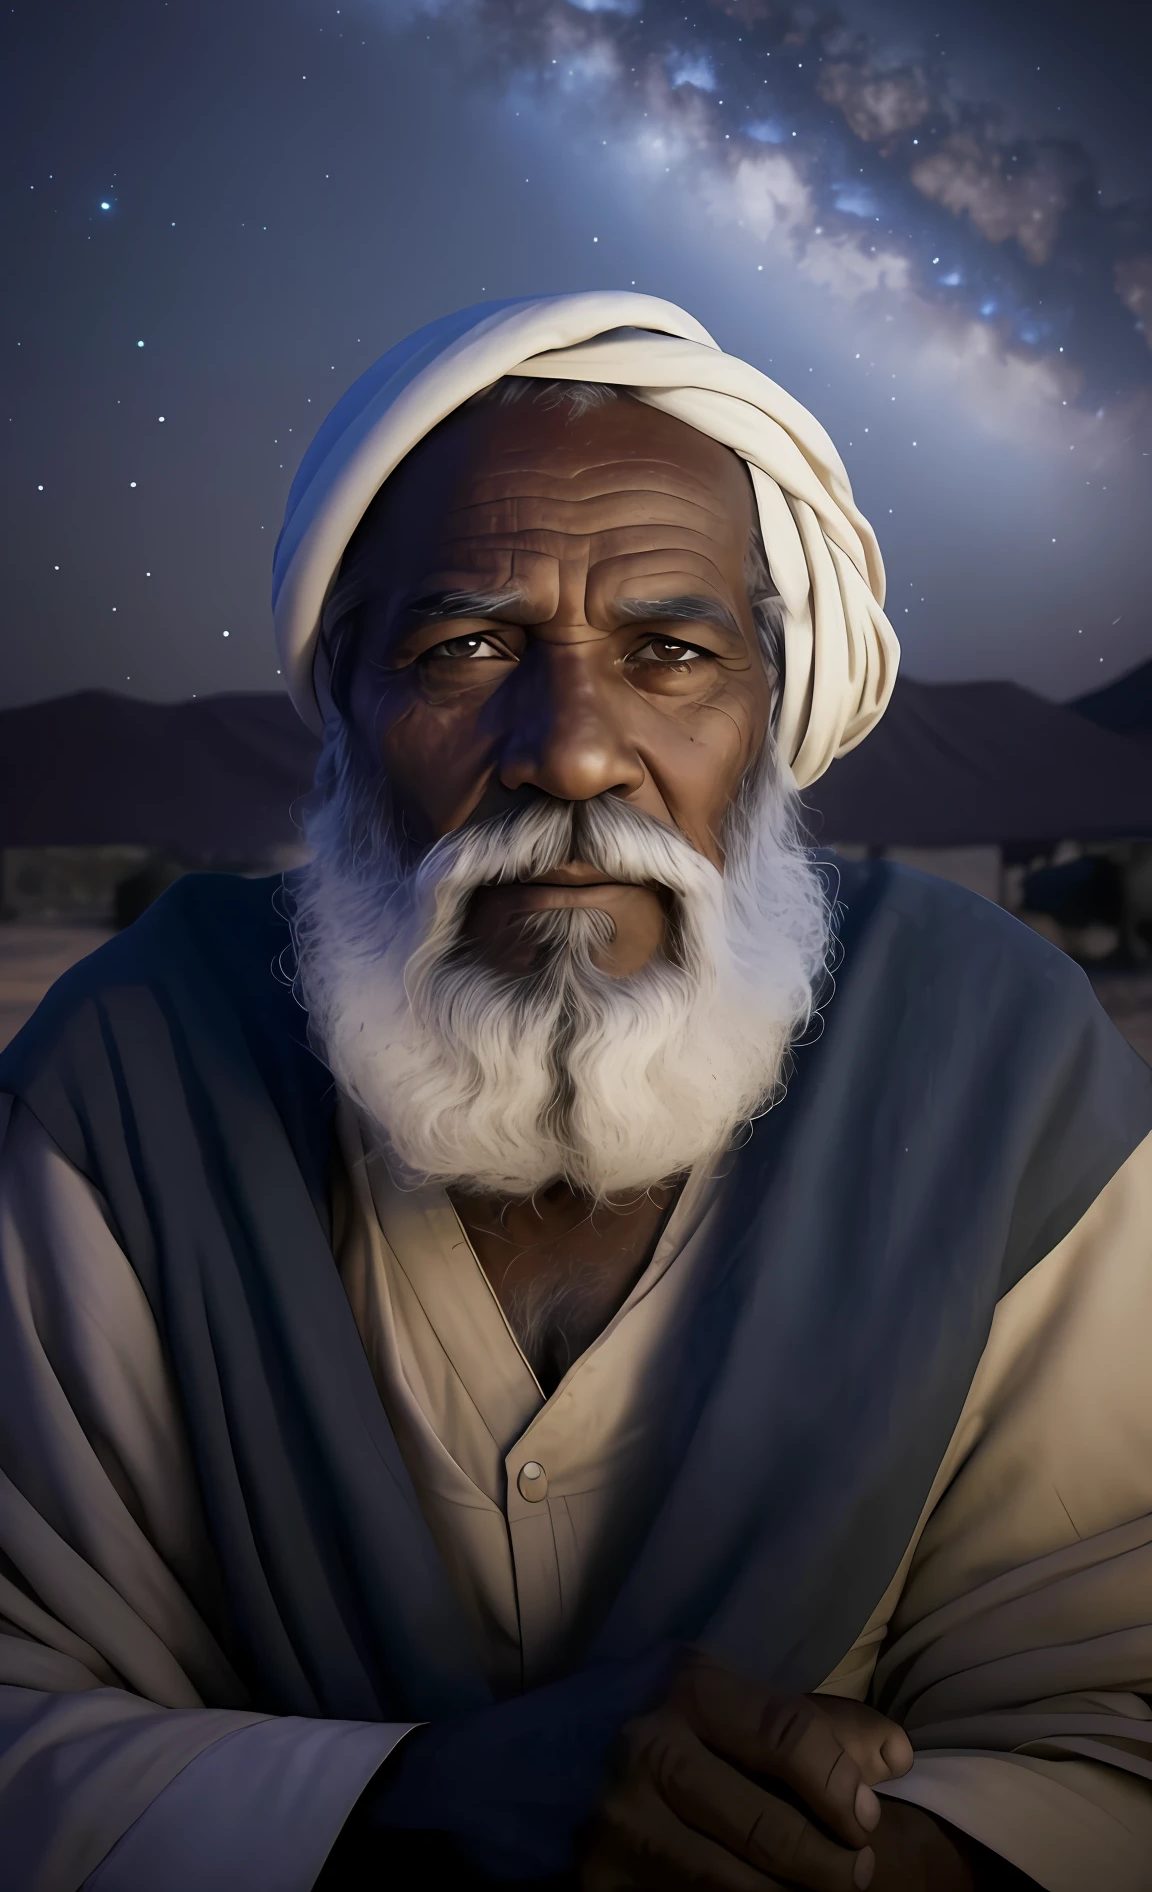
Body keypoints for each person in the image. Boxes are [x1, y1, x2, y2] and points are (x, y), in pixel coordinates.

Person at [1, 291, 1150, 1892]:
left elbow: (1111, 1736)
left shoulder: (990, 1063)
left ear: (769, 718)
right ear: (343, 703)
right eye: (467, 648)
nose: (573, 753)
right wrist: (406, 1806)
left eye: (671, 653)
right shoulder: (129, 1075)